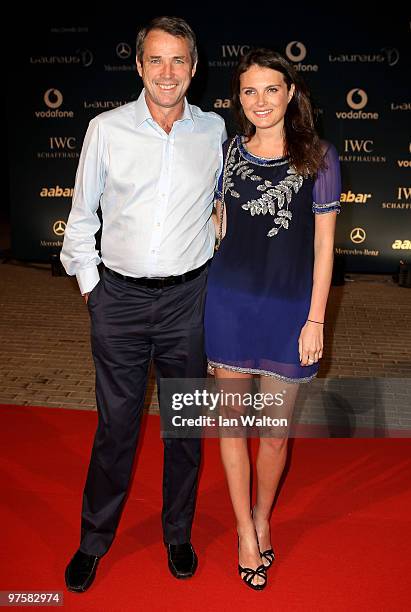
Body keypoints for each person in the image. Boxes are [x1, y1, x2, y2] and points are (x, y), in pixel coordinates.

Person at [60, 16, 226, 592]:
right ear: (138, 65)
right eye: (156, 59)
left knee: (185, 426)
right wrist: (92, 291)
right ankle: (93, 540)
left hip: (188, 301)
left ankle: (177, 533)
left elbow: (224, 204)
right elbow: (81, 218)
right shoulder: (106, 129)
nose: (167, 72)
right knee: (116, 429)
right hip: (120, 301)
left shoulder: (214, 132)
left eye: (178, 60)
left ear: (194, 67)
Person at [204, 48, 341, 590]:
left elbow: (326, 250)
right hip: (229, 306)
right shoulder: (227, 152)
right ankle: (244, 529)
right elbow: (217, 224)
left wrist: (316, 320)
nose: (259, 101)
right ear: (239, 99)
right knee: (233, 428)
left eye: (270, 89)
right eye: (248, 91)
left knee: (275, 434)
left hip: (288, 313)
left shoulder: (320, 158)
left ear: (290, 93)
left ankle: (264, 515)